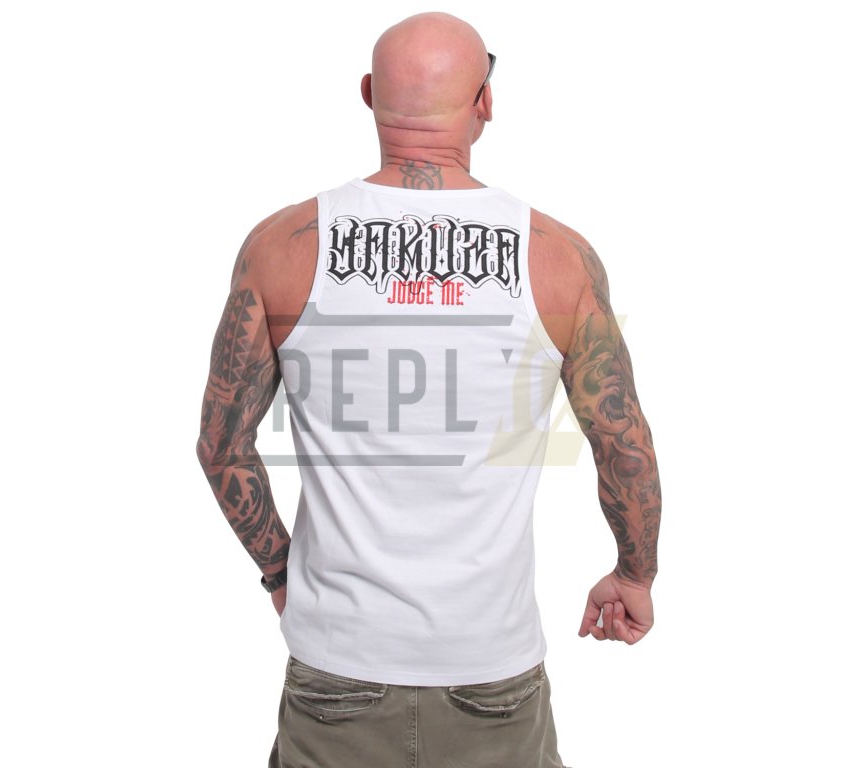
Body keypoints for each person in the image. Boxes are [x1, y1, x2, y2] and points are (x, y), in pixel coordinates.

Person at [195, 12, 661, 768]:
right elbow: (623, 442)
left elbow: (222, 446)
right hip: (492, 674)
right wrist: (635, 573)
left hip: (335, 669)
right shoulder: (558, 257)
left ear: (368, 94)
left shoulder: (280, 247)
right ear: (485, 103)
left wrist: (282, 572)